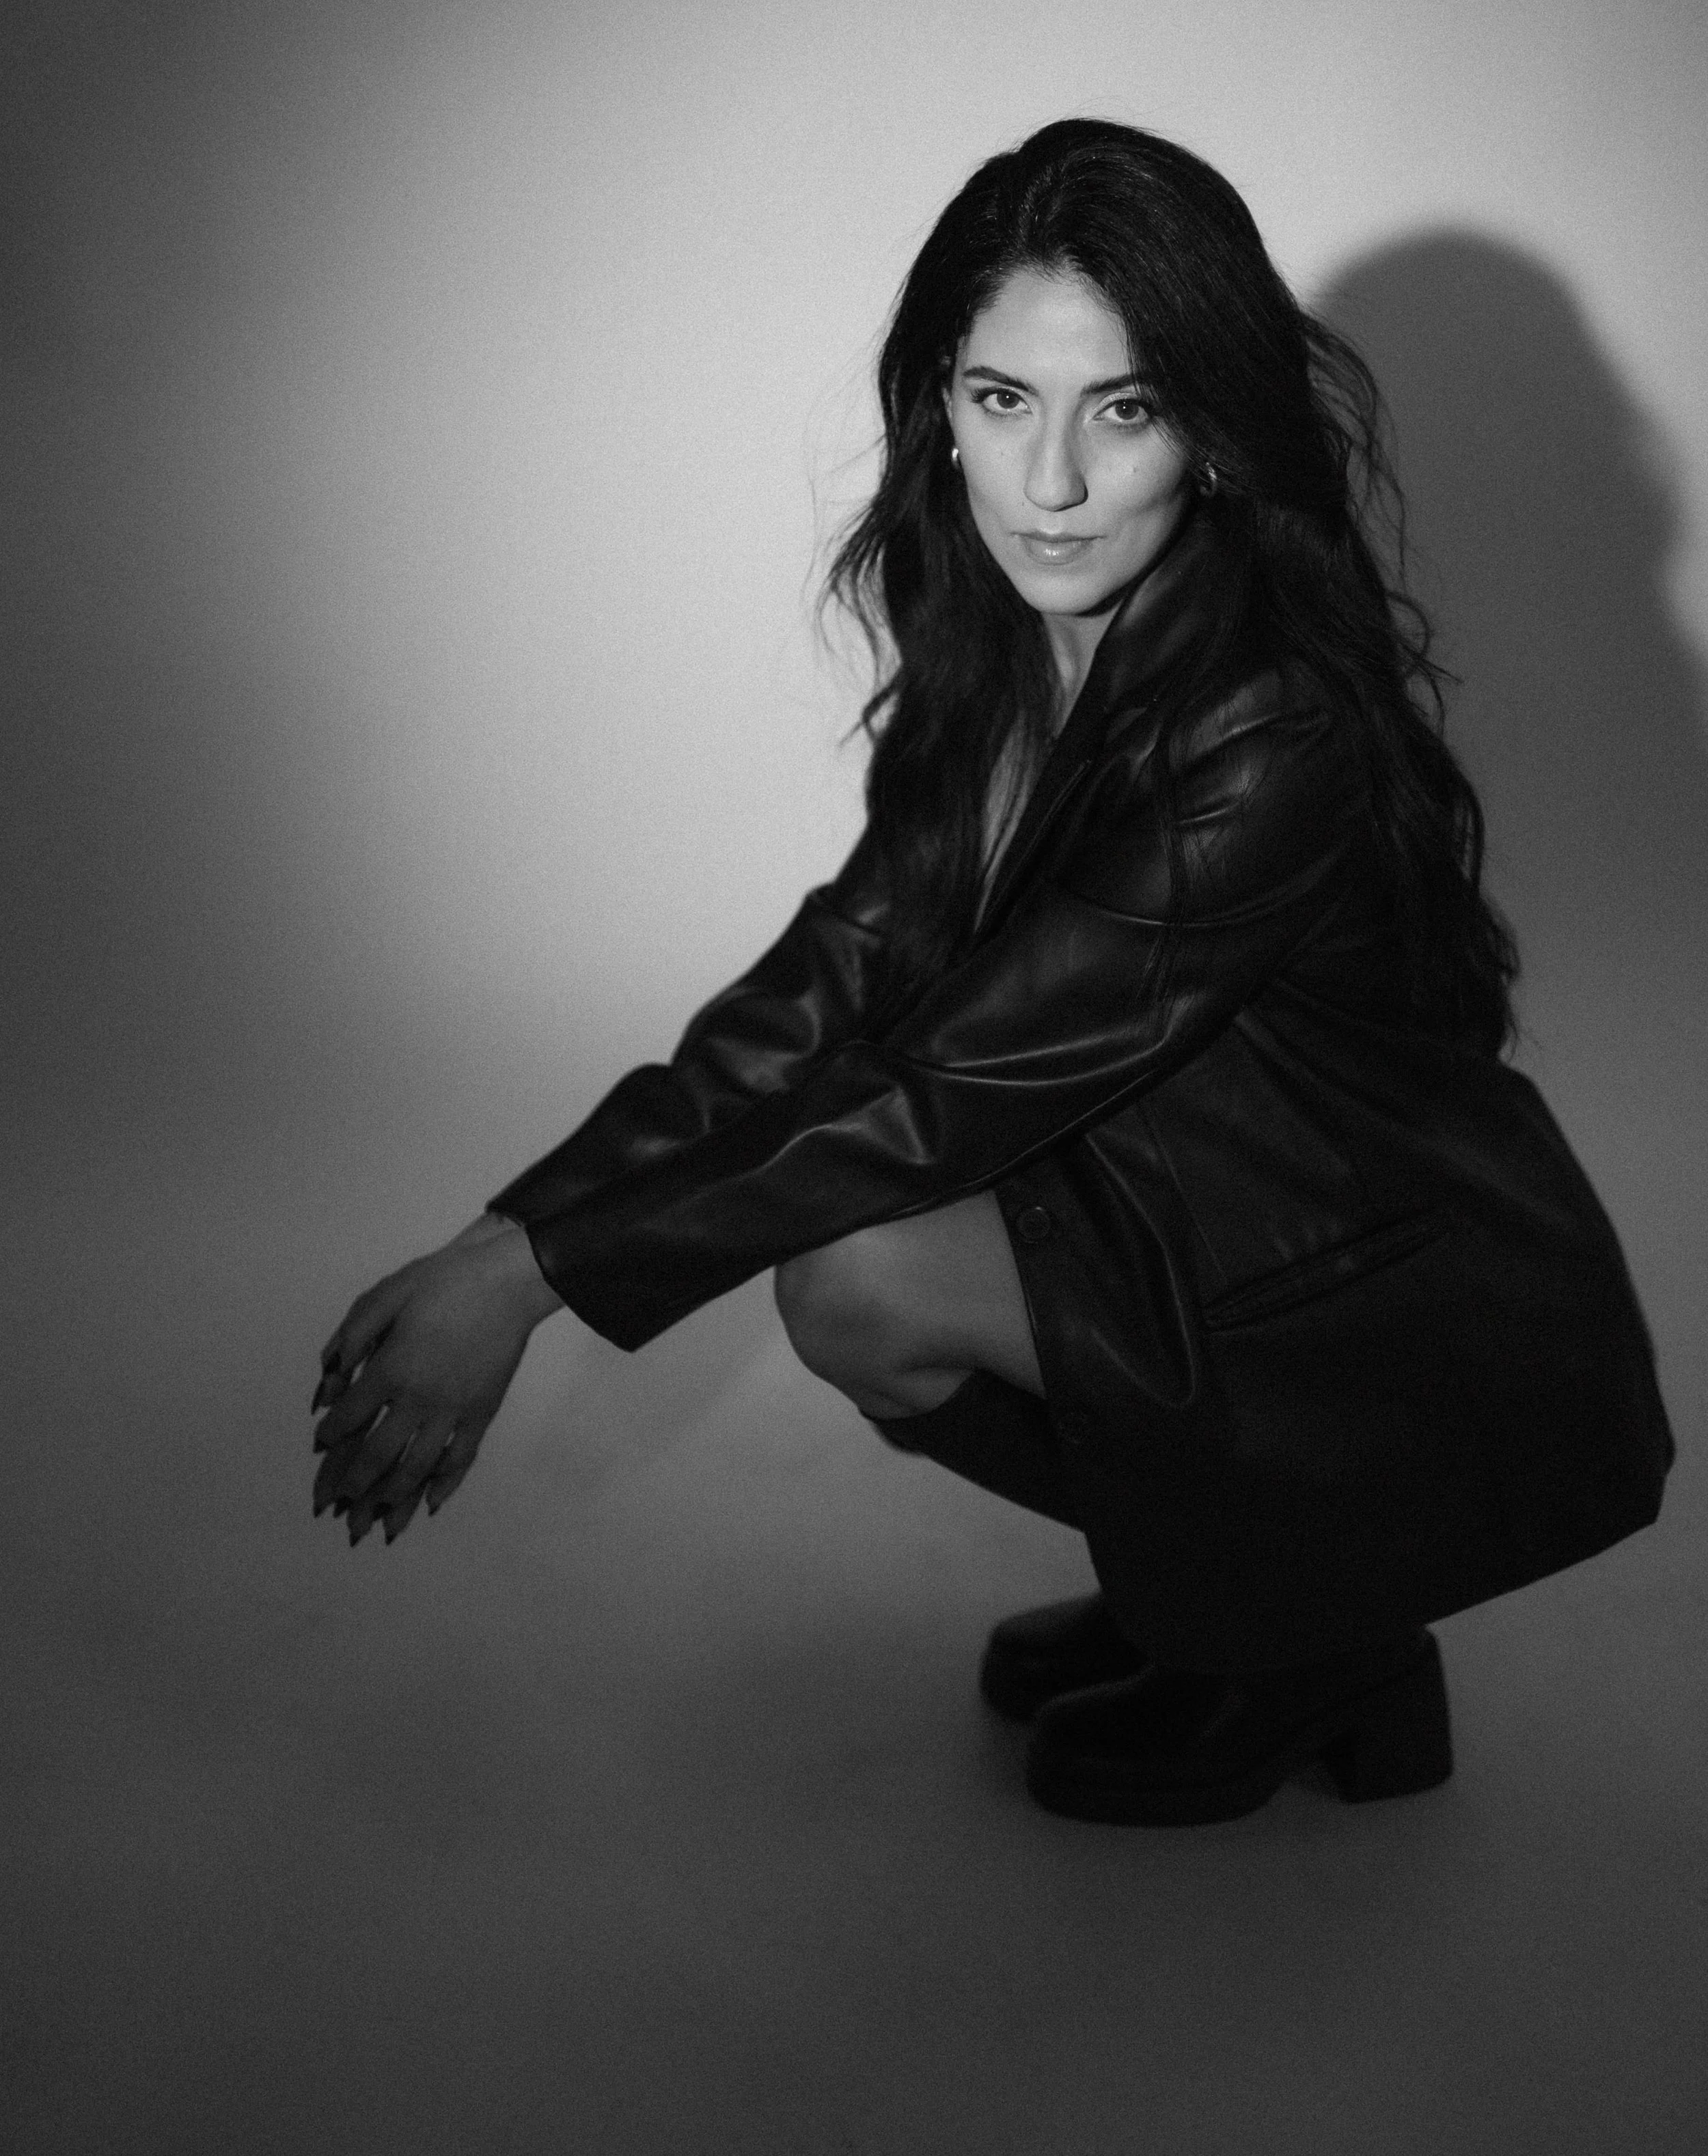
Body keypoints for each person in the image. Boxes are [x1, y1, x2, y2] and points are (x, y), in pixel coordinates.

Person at [311, 120, 1675, 1827]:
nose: (1048, 485)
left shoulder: (1269, 728)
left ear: (1215, 427)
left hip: (1369, 1271)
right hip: (1197, 1204)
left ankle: (1317, 1639)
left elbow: (946, 1087)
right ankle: (1218, 1585)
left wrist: (531, 1287)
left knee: (860, 1284)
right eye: (999, 400)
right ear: (936, 403)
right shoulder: (1006, 648)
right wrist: (507, 1236)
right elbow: (839, 976)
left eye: (1123, 409)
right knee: (862, 1273)